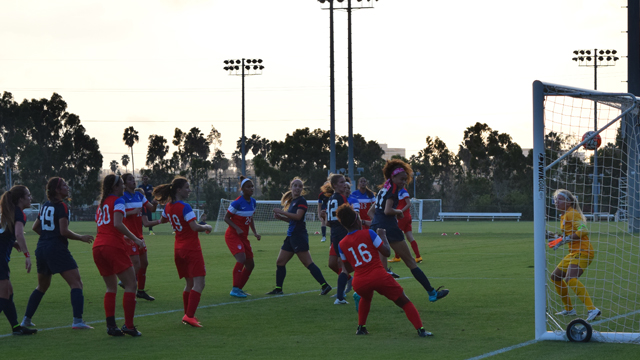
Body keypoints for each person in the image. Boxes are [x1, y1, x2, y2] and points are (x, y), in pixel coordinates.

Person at [336, 204, 432, 337]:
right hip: (378, 276)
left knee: (366, 296)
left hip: (359, 282)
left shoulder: (341, 244)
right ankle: (421, 330)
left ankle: (361, 328)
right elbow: (386, 252)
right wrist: (383, 236)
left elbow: (348, 269)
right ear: (357, 220)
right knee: (404, 301)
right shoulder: (369, 233)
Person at [368, 159, 449, 302]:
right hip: (390, 229)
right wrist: (398, 212)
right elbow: (387, 211)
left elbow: (371, 211)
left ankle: (360, 294)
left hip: (376, 229)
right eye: (401, 179)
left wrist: (378, 224)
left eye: (406, 179)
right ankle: (432, 293)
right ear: (392, 177)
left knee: (381, 267)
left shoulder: (383, 189)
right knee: (411, 262)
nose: (404, 182)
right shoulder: (393, 190)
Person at [22, 177, 94, 330]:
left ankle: (26, 320)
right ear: (57, 190)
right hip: (56, 249)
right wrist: (81, 237)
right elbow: (63, 231)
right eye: (64, 185)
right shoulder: (62, 206)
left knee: (42, 286)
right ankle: (77, 321)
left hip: (41, 248)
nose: (67, 187)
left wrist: (48, 237)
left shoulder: (45, 205)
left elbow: (35, 227)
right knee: (76, 283)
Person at [155, 177, 212, 328]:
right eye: (187, 187)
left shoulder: (168, 206)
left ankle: (188, 314)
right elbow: (194, 227)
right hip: (191, 248)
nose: (189, 190)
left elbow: (163, 220)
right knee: (200, 283)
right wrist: (206, 227)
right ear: (178, 190)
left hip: (178, 248)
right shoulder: (185, 207)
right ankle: (189, 315)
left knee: (189, 283)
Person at [93, 174, 144, 336]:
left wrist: (124, 238)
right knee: (131, 285)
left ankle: (111, 326)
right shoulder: (118, 200)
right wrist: (135, 239)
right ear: (115, 187)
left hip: (98, 246)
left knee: (111, 287)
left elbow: (103, 227)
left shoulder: (101, 204)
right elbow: (117, 223)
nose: (123, 186)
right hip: (112, 246)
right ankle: (128, 326)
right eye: (121, 184)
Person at [267, 177, 332, 296]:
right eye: (295, 186)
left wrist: (281, 212)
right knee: (280, 262)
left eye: (299, 186)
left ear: (302, 189)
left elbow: (298, 217)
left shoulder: (302, 201)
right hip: (291, 236)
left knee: (308, 263)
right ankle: (278, 289)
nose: (297, 188)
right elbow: (292, 220)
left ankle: (325, 285)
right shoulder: (293, 202)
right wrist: (281, 218)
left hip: (298, 236)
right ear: (291, 187)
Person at [549, 189, 600, 321]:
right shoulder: (564, 215)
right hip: (573, 253)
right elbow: (567, 235)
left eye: (560, 199)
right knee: (555, 277)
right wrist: (554, 237)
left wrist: (564, 240)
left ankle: (592, 309)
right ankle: (569, 309)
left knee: (570, 279)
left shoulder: (572, 213)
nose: (556, 201)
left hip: (583, 252)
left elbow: (583, 230)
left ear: (569, 201)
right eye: (555, 199)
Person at [0, 185, 37, 335]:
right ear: (20, 199)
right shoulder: (18, 213)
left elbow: (6, 233)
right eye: (28, 195)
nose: (30, 198)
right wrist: (27, 256)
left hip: (2, 257)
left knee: (8, 292)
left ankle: (16, 327)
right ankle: (16, 327)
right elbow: (19, 234)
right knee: (3, 295)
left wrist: (12, 242)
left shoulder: (8, 212)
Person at [119, 174, 158, 301]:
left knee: (144, 263)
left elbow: (151, 209)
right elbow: (118, 214)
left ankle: (140, 291)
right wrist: (131, 212)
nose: (133, 181)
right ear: (124, 184)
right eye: (130, 179)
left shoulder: (139, 196)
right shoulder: (122, 198)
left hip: (139, 235)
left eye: (133, 179)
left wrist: (155, 203)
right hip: (129, 236)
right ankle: (126, 282)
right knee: (136, 263)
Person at [224, 176, 261, 298]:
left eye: (252, 186)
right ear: (242, 189)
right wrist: (237, 228)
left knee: (250, 265)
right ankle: (234, 289)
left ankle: (239, 288)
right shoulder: (237, 202)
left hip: (243, 237)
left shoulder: (253, 202)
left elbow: (250, 219)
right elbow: (226, 218)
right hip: (233, 235)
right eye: (248, 186)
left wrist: (255, 232)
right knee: (241, 259)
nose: (251, 188)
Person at [322, 174, 352, 304]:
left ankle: (341, 294)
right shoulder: (341, 198)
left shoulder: (331, 199)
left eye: (345, 182)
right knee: (344, 265)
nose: (344, 184)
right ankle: (340, 297)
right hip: (342, 233)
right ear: (334, 185)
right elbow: (347, 219)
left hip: (334, 233)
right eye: (341, 182)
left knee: (341, 264)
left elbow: (328, 222)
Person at [388, 184, 422, 264]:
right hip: (407, 216)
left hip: (402, 217)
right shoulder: (399, 192)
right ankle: (418, 257)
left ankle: (397, 257)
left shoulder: (403, 192)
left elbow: (409, 204)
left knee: (395, 236)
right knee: (410, 237)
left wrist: (400, 212)